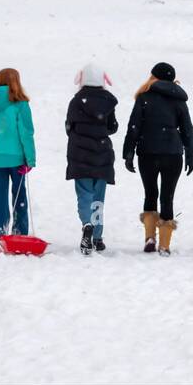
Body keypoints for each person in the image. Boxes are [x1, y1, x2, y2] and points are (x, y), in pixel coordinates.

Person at [122, 62, 193, 255]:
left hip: (148, 152)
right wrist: (191, 154)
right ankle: (164, 245)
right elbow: (188, 130)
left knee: (150, 194)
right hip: (172, 154)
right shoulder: (179, 101)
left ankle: (149, 238)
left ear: (153, 77)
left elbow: (134, 127)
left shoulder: (144, 97)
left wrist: (128, 152)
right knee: (167, 197)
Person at [65, 61, 118, 254]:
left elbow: (69, 127)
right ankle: (97, 237)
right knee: (98, 198)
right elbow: (112, 127)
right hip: (102, 155)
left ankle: (87, 225)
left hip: (80, 155)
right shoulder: (108, 102)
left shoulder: (76, 101)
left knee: (84, 195)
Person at [0, 68, 36, 245]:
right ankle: (19, 233)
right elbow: (26, 133)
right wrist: (30, 159)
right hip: (17, 159)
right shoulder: (20, 105)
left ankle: (0, 235)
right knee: (19, 197)